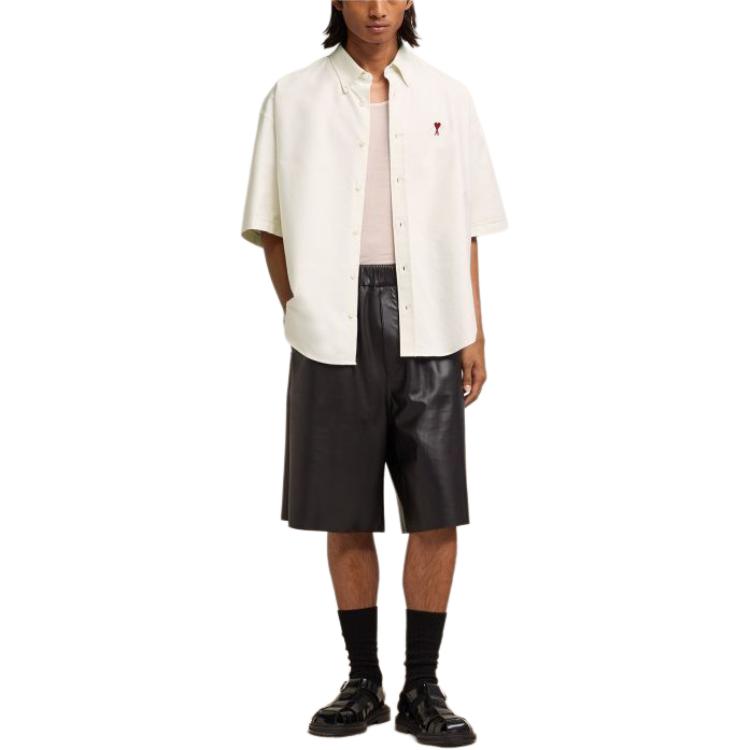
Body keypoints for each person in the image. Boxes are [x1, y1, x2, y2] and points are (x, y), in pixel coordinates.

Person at [240, 2, 507, 745]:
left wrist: (475, 328)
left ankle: (423, 684)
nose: (377, 8)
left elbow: (467, 224)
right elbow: (269, 225)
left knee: (437, 509)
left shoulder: (448, 97)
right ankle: (363, 681)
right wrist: (302, 308)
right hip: (332, 322)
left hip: (434, 319)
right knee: (345, 509)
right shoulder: (293, 97)